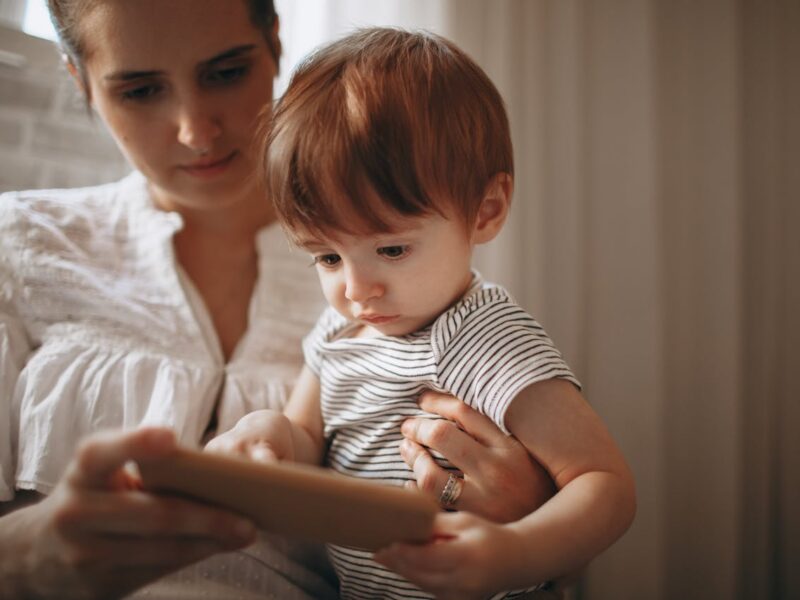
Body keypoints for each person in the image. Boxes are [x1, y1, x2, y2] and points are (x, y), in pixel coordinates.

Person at [0, 2, 557, 599]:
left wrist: (533, 526)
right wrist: (35, 552)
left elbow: (569, 535)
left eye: (225, 73)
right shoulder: (23, 245)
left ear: (273, 42)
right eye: (139, 90)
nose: (196, 130)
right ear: (79, 79)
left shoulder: (414, 279)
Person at [208, 27, 637, 600]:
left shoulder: (481, 334)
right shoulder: (339, 330)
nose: (358, 290)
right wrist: (266, 434)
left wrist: (517, 552)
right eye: (328, 256)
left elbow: (604, 484)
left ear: (485, 210)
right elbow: (309, 438)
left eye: (391, 250)